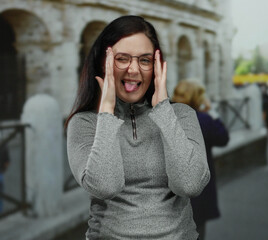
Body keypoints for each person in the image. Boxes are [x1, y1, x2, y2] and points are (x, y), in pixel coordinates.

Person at [65, 15, 210, 239]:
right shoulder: (85, 123)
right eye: (122, 58)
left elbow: (190, 185)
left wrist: (163, 109)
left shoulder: (182, 115)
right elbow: (104, 186)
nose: (134, 70)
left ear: (156, 67)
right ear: (104, 63)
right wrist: (106, 111)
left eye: (144, 60)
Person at [172, 80, 229, 240]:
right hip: (197, 191)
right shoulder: (203, 120)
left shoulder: (164, 117)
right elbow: (223, 138)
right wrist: (212, 113)